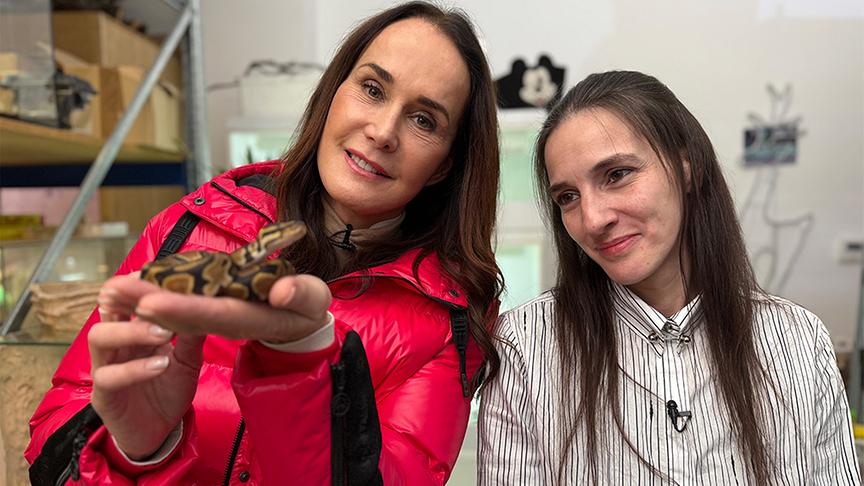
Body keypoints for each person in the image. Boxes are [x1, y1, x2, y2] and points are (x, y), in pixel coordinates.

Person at [26, 2, 503, 484]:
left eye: (424, 121)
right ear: (333, 93)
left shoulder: (449, 320)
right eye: (372, 89)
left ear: (444, 165)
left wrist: (299, 367)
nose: (382, 132)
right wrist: (137, 446)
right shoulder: (191, 224)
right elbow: (52, 440)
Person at [477, 70, 859, 484]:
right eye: (568, 197)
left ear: (686, 168)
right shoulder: (525, 348)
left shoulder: (799, 341)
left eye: (617, 174)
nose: (592, 219)